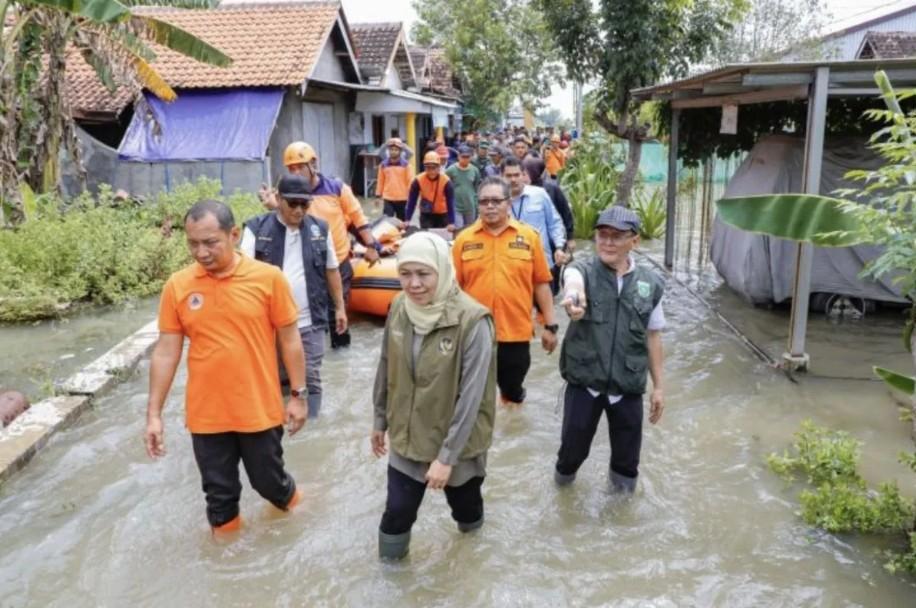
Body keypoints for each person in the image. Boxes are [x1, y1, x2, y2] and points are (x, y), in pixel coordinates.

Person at [144, 199, 307, 533]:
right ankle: (228, 568)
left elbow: (290, 340)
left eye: (210, 242)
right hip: (207, 414)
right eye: (192, 243)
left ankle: (302, 505)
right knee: (219, 498)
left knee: (270, 486)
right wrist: (154, 414)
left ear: (234, 235)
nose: (201, 252)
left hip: (258, 409)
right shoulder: (178, 286)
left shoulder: (268, 279)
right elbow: (166, 352)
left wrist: (298, 395)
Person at [371, 232, 496, 560]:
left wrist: (446, 458)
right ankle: (392, 588)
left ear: (442, 270)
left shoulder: (474, 321)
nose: (413, 284)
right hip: (408, 436)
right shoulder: (399, 307)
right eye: (405, 273)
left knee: (466, 514)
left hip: (458, 444)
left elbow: (472, 398)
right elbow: (387, 363)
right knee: (396, 515)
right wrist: (379, 418)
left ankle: (471, 566)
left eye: (423, 274)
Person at [555, 206, 666, 493]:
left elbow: (653, 337)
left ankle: (621, 521)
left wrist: (659, 387)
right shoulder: (584, 270)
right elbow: (573, 282)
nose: (607, 242)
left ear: (635, 241)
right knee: (571, 454)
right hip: (585, 383)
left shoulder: (650, 284)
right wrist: (574, 298)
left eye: (617, 236)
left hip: (627, 387)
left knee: (627, 464)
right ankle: (562, 495)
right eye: (602, 235)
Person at [260, 141, 384, 349]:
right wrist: (274, 205)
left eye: (300, 166)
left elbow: (358, 217)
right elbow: (287, 223)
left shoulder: (336, 188)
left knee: (336, 310)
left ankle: (341, 353)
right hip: (308, 262)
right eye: (292, 168)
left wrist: (371, 246)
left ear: (313, 165)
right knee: (308, 312)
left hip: (338, 260)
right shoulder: (287, 194)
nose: (296, 172)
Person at [242, 174, 346, 419]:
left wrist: (340, 307)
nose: (299, 210)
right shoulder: (256, 229)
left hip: (311, 319)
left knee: (311, 374)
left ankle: (313, 425)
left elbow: (332, 269)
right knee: (274, 375)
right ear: (278, 199)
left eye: (305, 204)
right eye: (293, 204)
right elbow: (242, 275)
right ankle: (278, 423)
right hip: (269, 322)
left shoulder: (320, 229)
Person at [452, 177, 558, 407]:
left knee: (512, 394)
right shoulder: (463, 240)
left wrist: (550, 326)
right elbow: (453, 291)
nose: (490, 206)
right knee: (472, 394)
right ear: (477, 204)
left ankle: (510, 431)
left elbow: (541, 283)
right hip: (473, 334)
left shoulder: (529, 237)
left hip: (515, 334)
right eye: (484, 201)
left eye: (496, 201)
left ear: (508, 203)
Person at [501, 157, 568, 285]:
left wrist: (559, 247)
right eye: (508, 176)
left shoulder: (539, 194)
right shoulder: (496, 201)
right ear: (501, 176)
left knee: (546, 302)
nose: (513, 179)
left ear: (523, 174)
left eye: (516, 175)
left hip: (542, 262)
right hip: (511, 267)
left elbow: (554, 223)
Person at [405, 151, 456, 230]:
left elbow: (450, 202)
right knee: (427, 237)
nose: (431, 171)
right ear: (425, 168)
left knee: (441, 239)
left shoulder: (446, 181)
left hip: (442, 215)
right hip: (426, 214)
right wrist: (407, 219)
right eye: (428, 168)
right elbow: (412, 201)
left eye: (434, 168)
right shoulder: (418, 180)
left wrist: (451, 222)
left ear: (439, 167)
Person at [376, 138, 415, 221]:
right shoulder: (383, 165)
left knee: (402, 222)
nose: (393, 151)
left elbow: (410, 182)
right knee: (386, 222)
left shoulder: (406, 165)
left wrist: (412, 197)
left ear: (400, 151)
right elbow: (380, 181)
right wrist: (378, 196)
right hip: (388, 198)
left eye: (396, 150)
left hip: (403, 198)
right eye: (391, 149)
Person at [445, 145, 482, 229]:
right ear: (458, 156)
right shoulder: (451, 170)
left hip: (470, 205)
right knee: (459, 229)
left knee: (470, 229)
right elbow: (445, 185)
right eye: (463, 157)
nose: (465, 159)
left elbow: (476, 187)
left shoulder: (474, 170)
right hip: (456, 206)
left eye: (467, 157)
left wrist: (477, 204)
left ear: (471, 157)